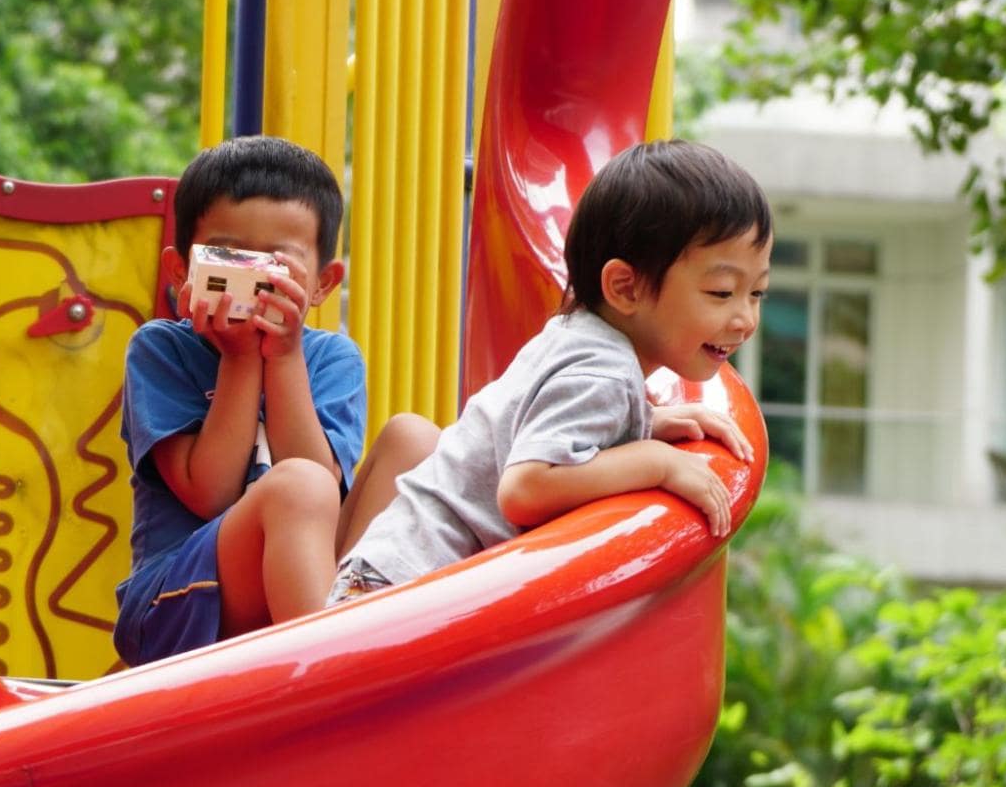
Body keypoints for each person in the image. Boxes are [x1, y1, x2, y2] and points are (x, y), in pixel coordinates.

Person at [330, 138, 771, 604]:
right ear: (625, 288)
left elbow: (538, 422)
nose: (745, 319)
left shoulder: (578, 336)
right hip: (395, 592)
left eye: (757, 293)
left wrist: (648, 422)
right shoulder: (602, 372)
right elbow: (527, 486)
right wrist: (656, 462)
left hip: (395, 574)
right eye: (722, 292)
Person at [115, 135, 437, 666]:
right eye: (228, 257)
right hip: (179, 610)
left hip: (303, 587)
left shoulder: (332, 358)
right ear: (181, 271)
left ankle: (362, 629)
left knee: (414, 438)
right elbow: (211, 494)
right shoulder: (160, 348)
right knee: (298, 485)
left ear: (322, 284)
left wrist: (283, 357)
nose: (253, 280)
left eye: (276, 266)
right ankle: (332, 674)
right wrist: (240, 358)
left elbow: (323, 485)